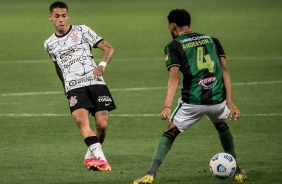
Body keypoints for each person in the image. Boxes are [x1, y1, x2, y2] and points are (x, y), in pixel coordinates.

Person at [132, 9, 247, 183]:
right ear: (189, 24)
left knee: (170, 130)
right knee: (221, 124)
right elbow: (224, 70)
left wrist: (166, 106)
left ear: (172, 25)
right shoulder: (212, 40)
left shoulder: (174, 45)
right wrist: (230, 102)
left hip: (192, 102)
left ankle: (151, 173)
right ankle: (237, 170)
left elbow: (174, 78)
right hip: (217, 100)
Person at [44, 1, 116, 171]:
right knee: (80, 120)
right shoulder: (49, 44)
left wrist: (102, 65)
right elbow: (58, 66)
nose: (61, 20)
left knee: (102, 125)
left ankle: (90, 155)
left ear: (68, 16)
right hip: (73, 85)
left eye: (63, 16)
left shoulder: (82, 30)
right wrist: (64, 85)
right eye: (57, 16)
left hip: (95, 81)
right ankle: (102, 160)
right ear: (50, 18)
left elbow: (109, 49)